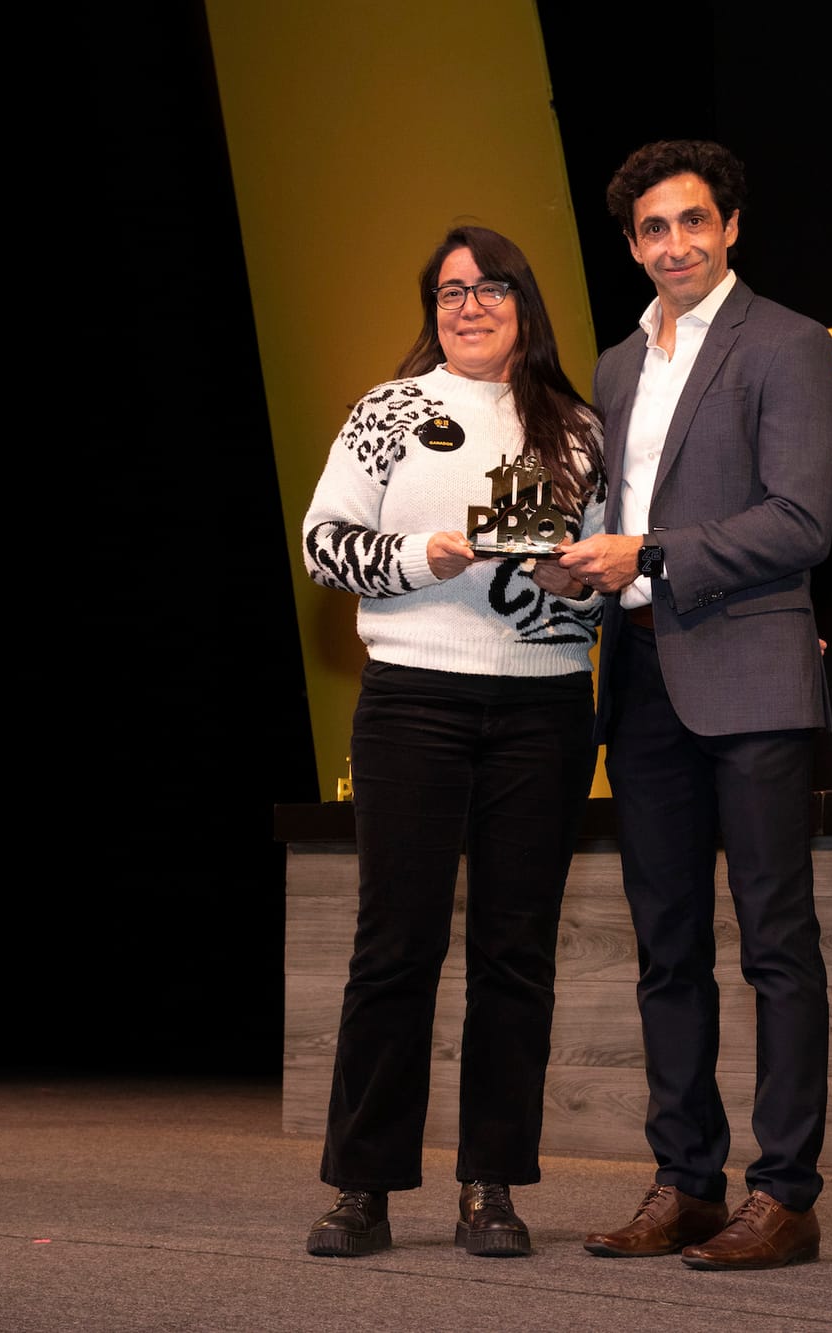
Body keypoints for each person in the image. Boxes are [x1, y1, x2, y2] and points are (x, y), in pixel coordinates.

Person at [558, 140, 832, 1271]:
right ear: (632, 246)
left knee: (776, 945)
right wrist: (567, 561)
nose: (674, 244)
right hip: (638, 680)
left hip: (752, 674)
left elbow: (800, 519)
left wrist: (651, 552)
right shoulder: (615, 366)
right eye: (652, 229)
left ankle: (784, 1195)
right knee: (665, 949)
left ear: (729, 227)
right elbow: (606, 517)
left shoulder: (786, 342)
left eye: (692, 222)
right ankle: (684, 1181)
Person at [299, 224, 604, 1260]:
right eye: (449, 291)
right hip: (413, 702)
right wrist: (422, 555)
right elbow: (324, 545)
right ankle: (363, 1184)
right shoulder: (387, 410)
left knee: (516, 955)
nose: (469, 306)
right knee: (394, 947)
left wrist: (575, 578)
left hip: (544, 706)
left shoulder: (578, 427)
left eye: (490, 287)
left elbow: (610, 577)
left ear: (525, 302)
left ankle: (491, 1186)